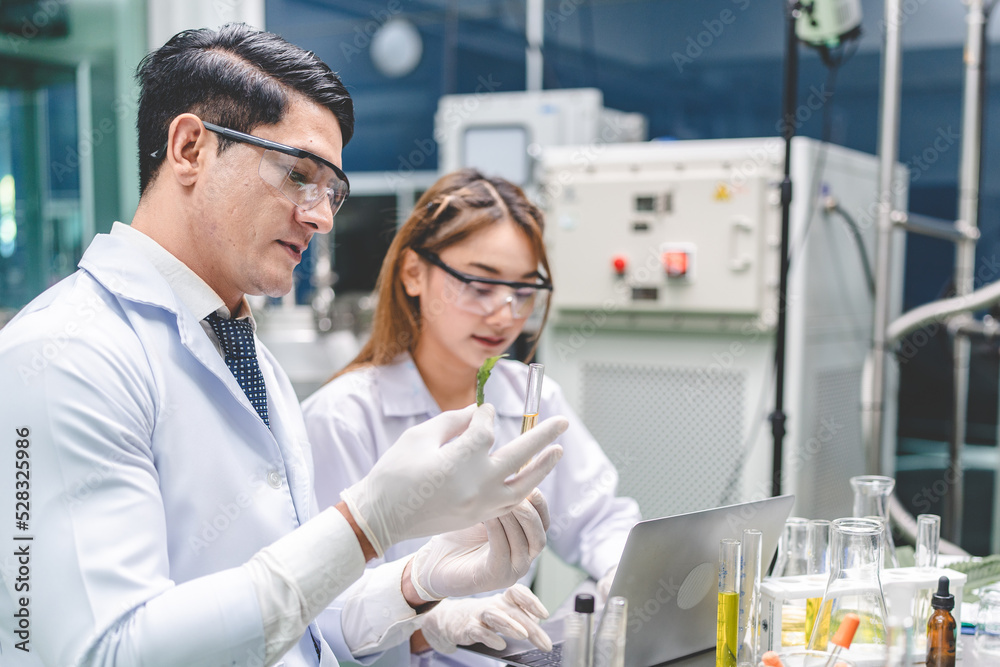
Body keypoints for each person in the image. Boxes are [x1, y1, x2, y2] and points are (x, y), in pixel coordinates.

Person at [0, 26, 569, 667]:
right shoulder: (64, 356)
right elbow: (109, 652)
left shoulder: (247, 357)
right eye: (299, 175)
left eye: (332, 191)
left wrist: (418, 588)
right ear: (189, 148)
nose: (321, 216)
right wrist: (365, 523)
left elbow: (296, 620)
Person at [302, 169, 642, 666]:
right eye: (480, 285)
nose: (505, 315)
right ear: (413, 273)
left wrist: (622, 572)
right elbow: (315, 613)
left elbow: (600, 518)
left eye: (523, 291)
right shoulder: (343, 417)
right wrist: (430, 623)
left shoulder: (529, 398)